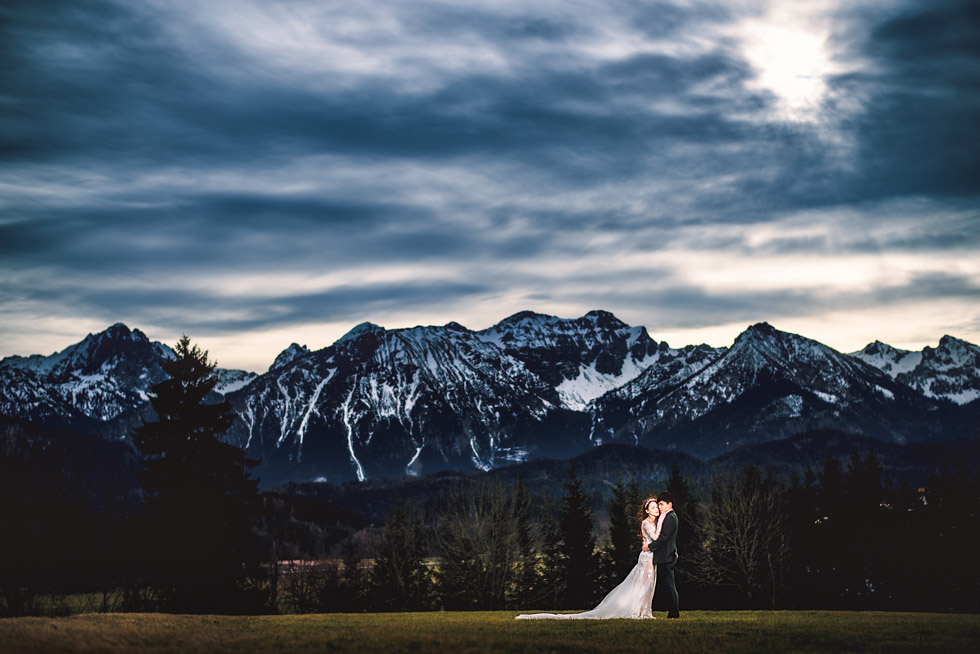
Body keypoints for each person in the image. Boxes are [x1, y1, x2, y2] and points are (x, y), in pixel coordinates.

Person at [515, 497, 660, 620]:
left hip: (650, 556)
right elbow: (656, 538)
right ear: (647, 511)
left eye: (656, 507)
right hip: (646, 558)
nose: (656, 509)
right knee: (644, 586)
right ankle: (641, 612)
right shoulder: (647, 523)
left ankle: (644, 611)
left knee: (647, 585)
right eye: (652, 507)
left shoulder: (653, 523)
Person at [644, 491, 679, 619]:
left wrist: (650, 547)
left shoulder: (670, 517)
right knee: (667, 585)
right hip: (666, 556)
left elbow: (664, 537)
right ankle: (673, 611)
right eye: (658, 504)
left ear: (670, 504)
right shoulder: (667, 516)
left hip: (667, 557)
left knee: (669, 584)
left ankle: (674, 612)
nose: (659, 507)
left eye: (662, 504)